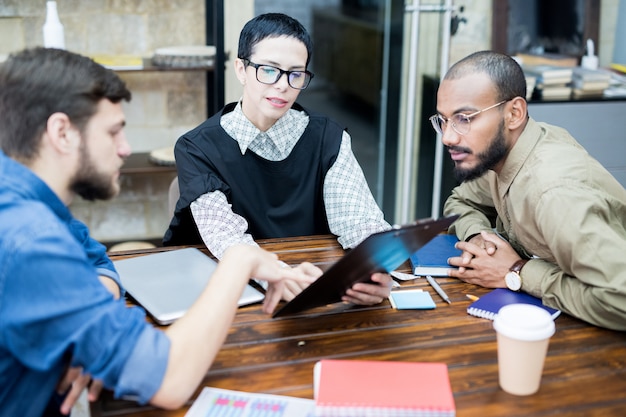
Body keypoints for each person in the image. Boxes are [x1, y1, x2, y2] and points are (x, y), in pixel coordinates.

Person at [0, 47, 314, 417]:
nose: (125, 149)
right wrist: (239, 260)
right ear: (62, 132)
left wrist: (85, 325)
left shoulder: (25, 198)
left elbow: (98, 259)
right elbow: (168, 380)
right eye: (114, 132)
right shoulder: (29, 239)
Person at [164, 13, 393, 305]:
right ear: (241, 69)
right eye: (269, 70)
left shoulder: (328, 138)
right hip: (235, 293)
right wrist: (279, 275)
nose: (283, 85)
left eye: (296, 74)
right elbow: (226, 237)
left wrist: (375, 268)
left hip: (318, 288)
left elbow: (360, 222)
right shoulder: (196, 148)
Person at [431, 50, 626, 331]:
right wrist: (479, 239)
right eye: (443, 120)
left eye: (464, 118)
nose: (448, 136)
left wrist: (516, 272)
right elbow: (460, 201)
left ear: (514, 113)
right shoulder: (501, 154)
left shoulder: (554, 193)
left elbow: (619, 298)